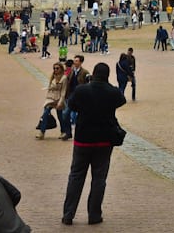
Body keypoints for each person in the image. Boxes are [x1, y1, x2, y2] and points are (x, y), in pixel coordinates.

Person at [62, 62, 127, 226]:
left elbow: (72, 105)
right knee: (99, 178)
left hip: (83, 139)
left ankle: (68, 214)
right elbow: (121, 100)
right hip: (104, 140)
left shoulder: (82, 90)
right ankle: (94, 215)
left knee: (76, 176)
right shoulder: (111, 92)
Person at [38, 62, 69, 139]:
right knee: (45, 113)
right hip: (50, 98)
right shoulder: (53, 76)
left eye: (57, 68)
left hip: (58, 98)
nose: (55, 70)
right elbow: (50, 87)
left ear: (61, 69)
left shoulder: (64, 78)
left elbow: (63, 91)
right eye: (54, 68)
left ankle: (63, 132)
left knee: (60, 116)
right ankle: (42, 132)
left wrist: (61, 102)